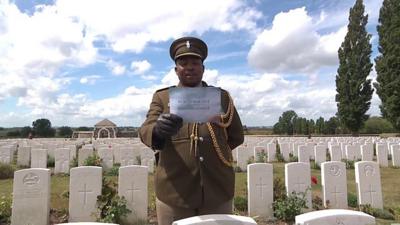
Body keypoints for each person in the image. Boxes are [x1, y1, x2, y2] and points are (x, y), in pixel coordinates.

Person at [139, 36, 244, 225]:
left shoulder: (221, 98)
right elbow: (146, 129)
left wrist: (213, 153)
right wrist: (158, 130)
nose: (189, 67)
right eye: (183, 62)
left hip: (217, 189)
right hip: (174, 191)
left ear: (203, 68)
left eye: (195, 62)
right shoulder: (163, 97)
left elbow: (236, 136)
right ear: (176, 70)